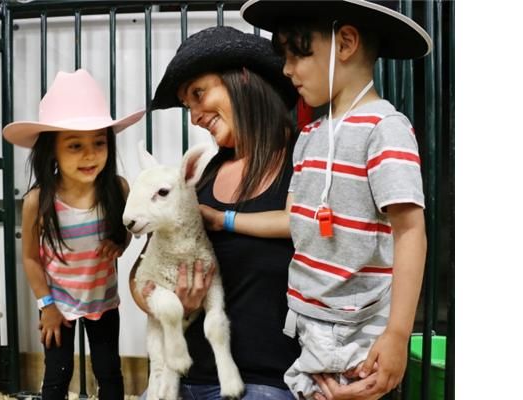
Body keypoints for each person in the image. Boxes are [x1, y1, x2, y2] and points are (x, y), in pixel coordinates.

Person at [238, 1, 432, 399]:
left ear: (345, 43)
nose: (288, 69)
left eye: (298, 53)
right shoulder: (308, 136)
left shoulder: (385, 130)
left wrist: (398, 334)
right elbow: (296, 221)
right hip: (308, 326)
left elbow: (410, 231)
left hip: (360, 332)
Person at [130, 26, 301, 400]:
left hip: (264, 383)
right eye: (187, 104)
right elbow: (140, 275)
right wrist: (170, 301)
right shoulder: (198, 177)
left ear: (242, 78)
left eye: (198, 93)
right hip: (178, 380)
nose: (193, 116)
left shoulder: (304, 165)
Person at [2, 69, 144, 400]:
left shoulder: (118, 189)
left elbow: (124, 235)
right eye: (75, 145)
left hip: (103, 301)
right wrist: (47, 305)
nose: (90, 154)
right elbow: (31, 259)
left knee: (109, 371)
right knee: (57, 374)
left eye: (99, 142)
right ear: (52, 150)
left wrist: (118, 243)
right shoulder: (39, 201)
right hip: (57, 303)